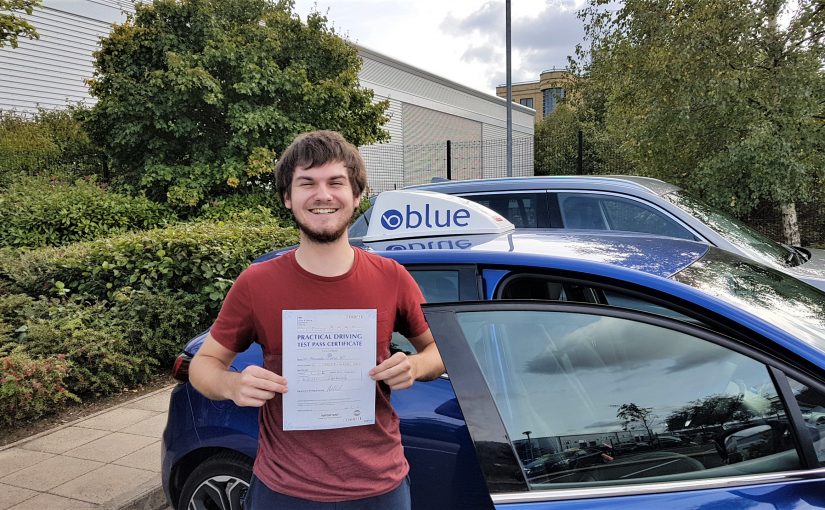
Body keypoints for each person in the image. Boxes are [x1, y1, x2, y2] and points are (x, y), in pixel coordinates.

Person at [188, 130, 445, 509]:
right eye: (307, 183)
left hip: (379, 488)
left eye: (335, 182)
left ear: (356, 196)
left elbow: (440, 351)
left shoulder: (392, 277)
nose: (322, 194)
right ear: (288, 198)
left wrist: (416, 364)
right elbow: (204, 365)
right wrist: (232, 385)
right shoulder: (257, 282)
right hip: (284, 489)